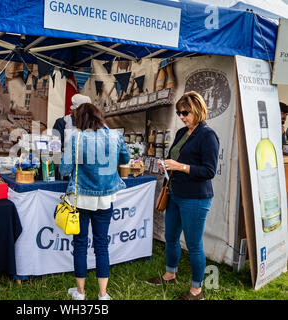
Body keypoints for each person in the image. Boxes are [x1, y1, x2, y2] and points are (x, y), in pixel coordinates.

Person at [146, 91, 219, 300]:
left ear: (197, 109)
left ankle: (197, 291)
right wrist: (167, 165)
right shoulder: (181, 133)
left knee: (194, 245)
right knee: (170, 237)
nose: (181, 116)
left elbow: (209, 171)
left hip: (196, 198)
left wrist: (180, 166)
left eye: (185, 112)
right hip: (176, 193)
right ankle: (170, 274)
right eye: (179, 113)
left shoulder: (208, 135)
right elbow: (172, 158)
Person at [59, 103, 130, 300]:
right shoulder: (115, 135)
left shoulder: (77, 137)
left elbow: (64, 170)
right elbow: (126, 158)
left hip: (80, 198)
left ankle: (80, 293)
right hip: (106, 198)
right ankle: (102, 294)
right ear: (99, 116)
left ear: (80, 119)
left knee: (80, 243)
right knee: (101, 245)